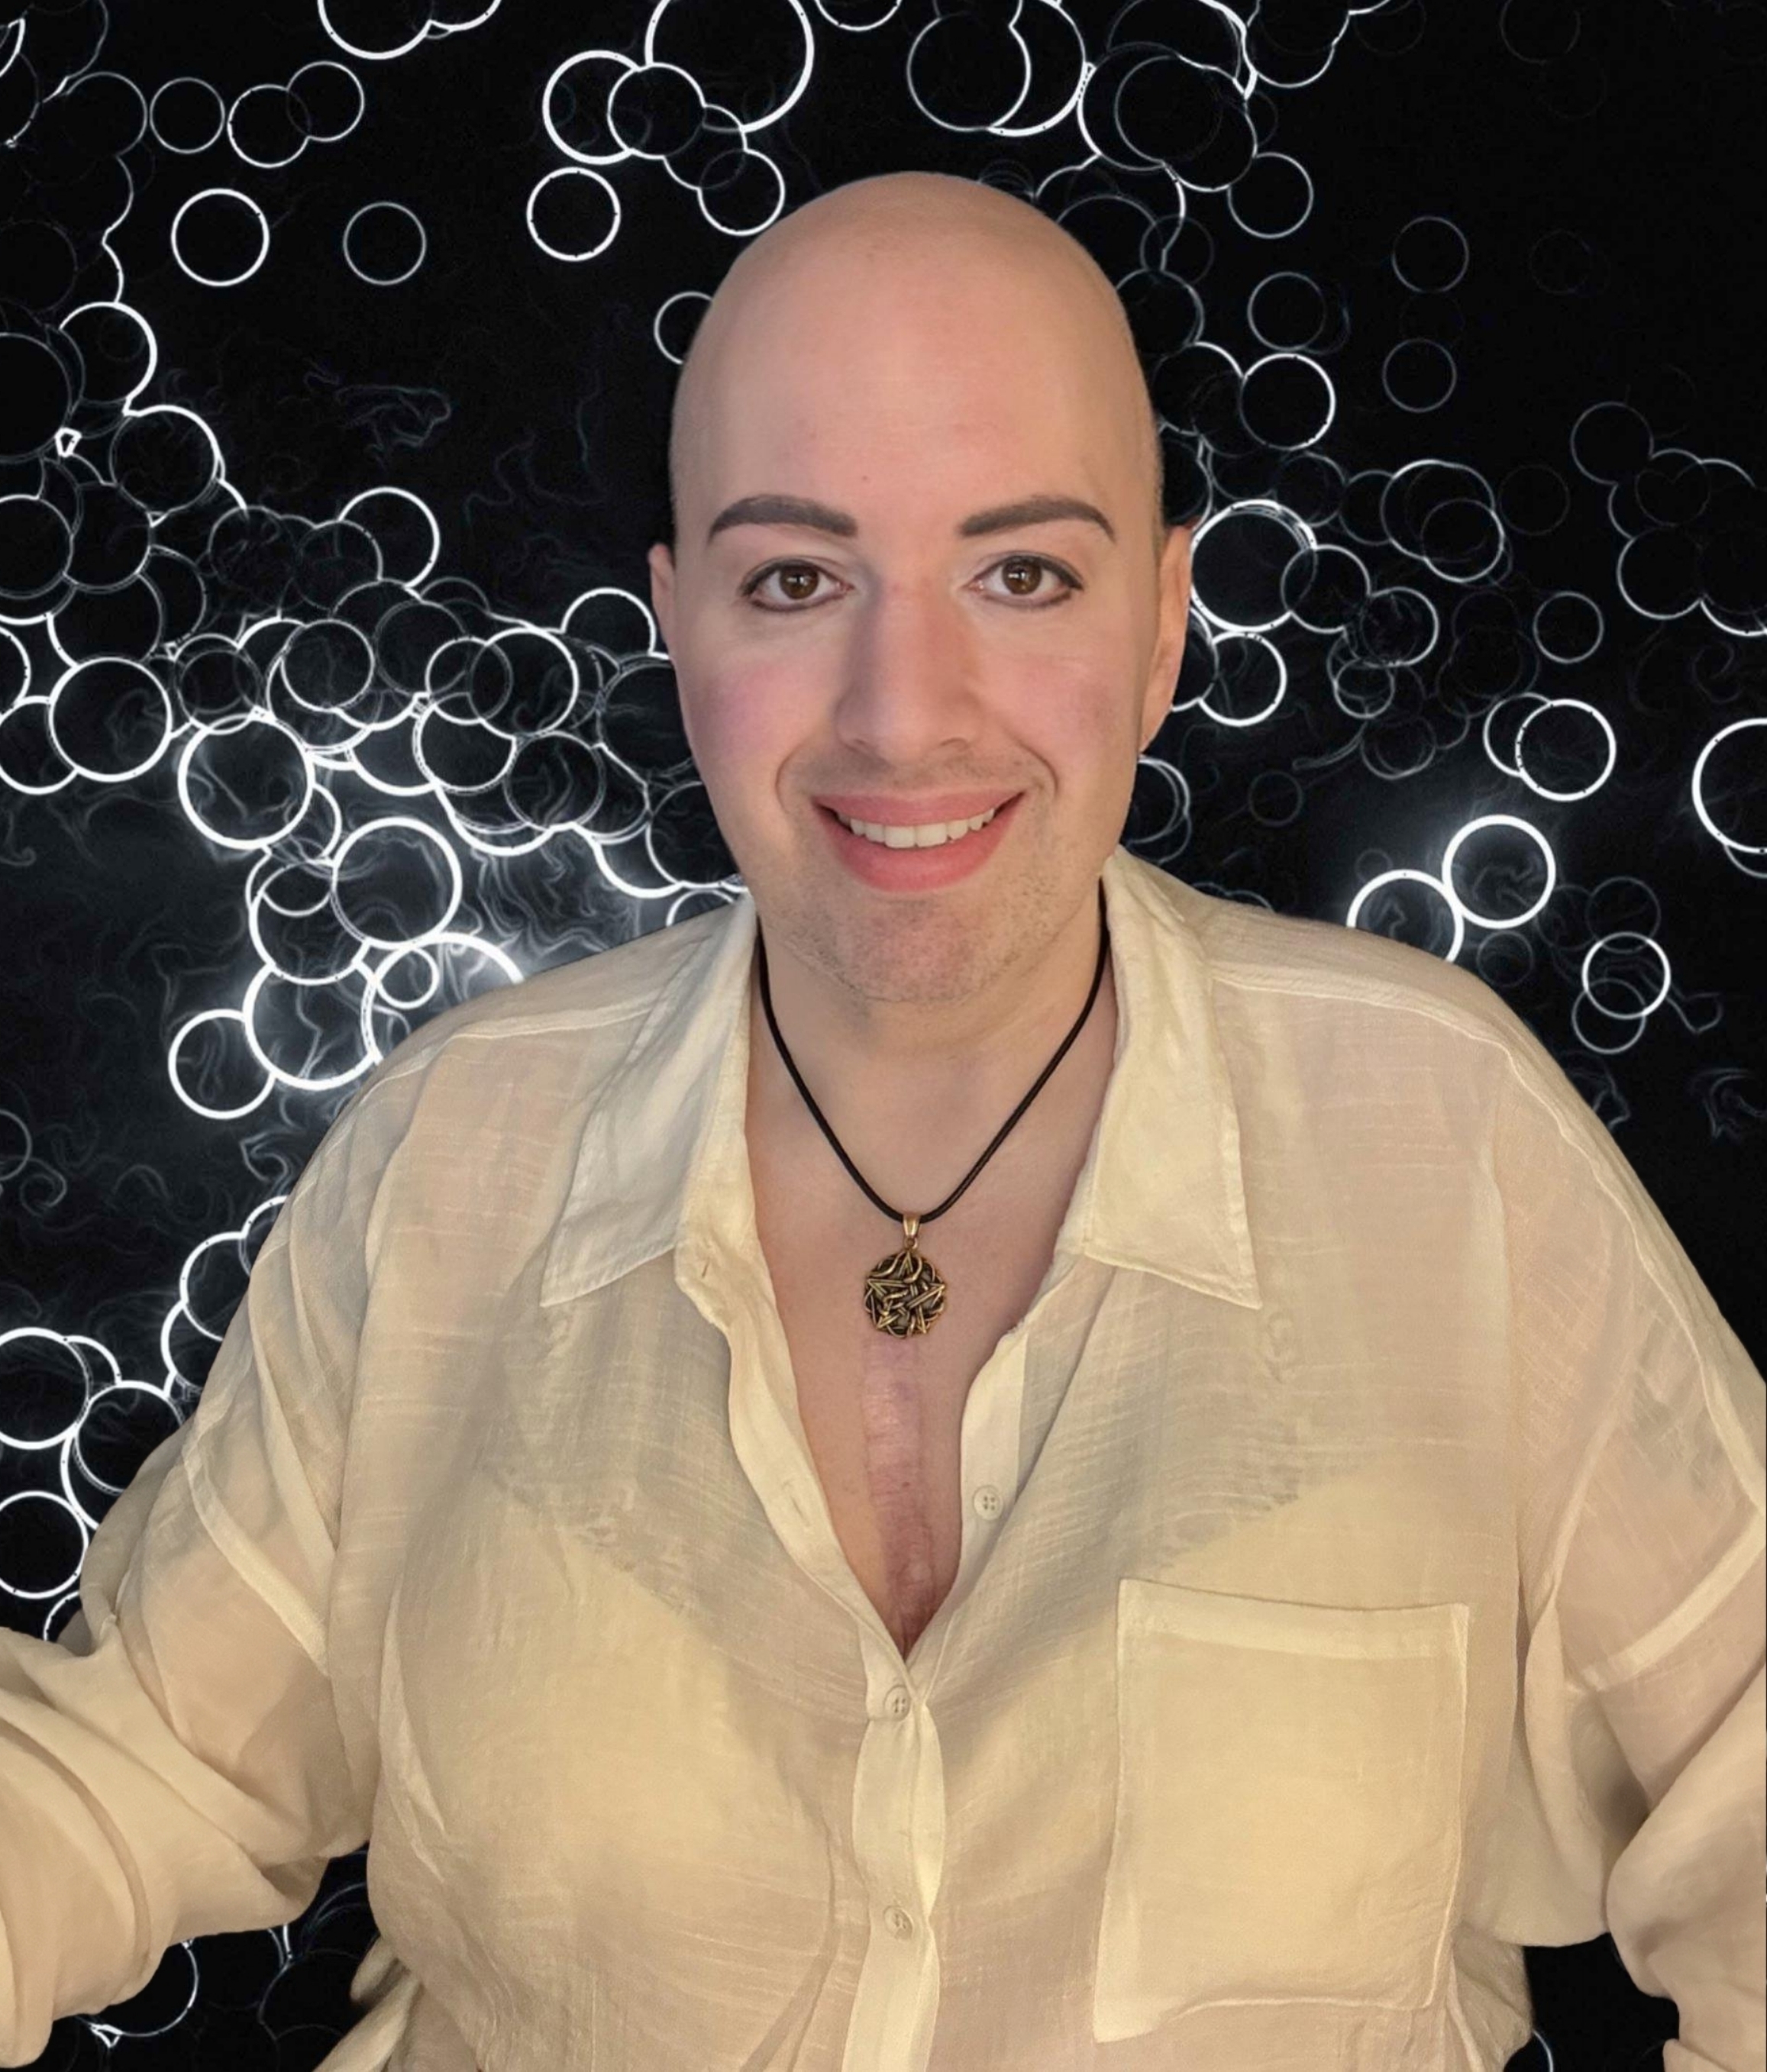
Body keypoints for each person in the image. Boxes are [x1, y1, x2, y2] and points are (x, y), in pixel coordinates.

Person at [1, 170, 1761, 2072]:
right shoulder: (450, 1151)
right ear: (676, 625)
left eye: (1022, 575)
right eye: (792, 579)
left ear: (1162, 628)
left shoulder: (1443, 1130)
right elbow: (134, 1764)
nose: (900, 714)